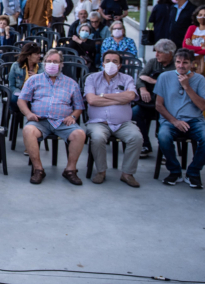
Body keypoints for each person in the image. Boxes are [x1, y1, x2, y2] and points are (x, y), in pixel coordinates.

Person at [17, 49, 86, 185]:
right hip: (40, 121)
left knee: (79, 134)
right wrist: (29, 114)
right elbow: (21, 100)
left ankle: (70, 170)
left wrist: (73, 116)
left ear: (61, 64)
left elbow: (79, 106)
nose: (52, 64)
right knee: (28, 131)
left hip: (63, 122)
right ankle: (38, 169)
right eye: (49, 61)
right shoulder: (34, 80)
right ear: (44, 63)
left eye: (55, 61)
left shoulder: (71, 83)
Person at [154, 49, 205, 189]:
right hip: (171, 120)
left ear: (192, 64)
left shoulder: (199, 79)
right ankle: (175, 171)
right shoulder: (164, 77)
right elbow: (159, 105)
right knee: (163, 136)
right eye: (178, 62)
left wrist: (187, 86)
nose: (181, 65)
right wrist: (175, 121)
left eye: (185, 63)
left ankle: (193, 172)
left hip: (194, 121)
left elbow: (203, 106)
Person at [85, 50, 144, 187]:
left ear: (120, 65)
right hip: (98, 123)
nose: (111, 64)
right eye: (108, 61)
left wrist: (102, 96)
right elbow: (92, 100)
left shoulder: (127, 79)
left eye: (115, 61)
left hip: (123, 123)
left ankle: (127, 174)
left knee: (136, 137)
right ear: (102, 63)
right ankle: (101, 171)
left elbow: (130, 97)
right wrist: (119, 99)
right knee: (98, 137)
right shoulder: (92, 78)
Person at [132, 39, 177, 157]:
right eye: (156, 51)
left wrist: (153, 81)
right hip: (150, 102)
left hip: (167, 105)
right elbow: (140, 78)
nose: (156, 55)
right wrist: (142, 88)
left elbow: (173, 87)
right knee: (135, 112)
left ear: (170, 53)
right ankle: (145, 144)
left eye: (160, 52)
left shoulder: (176, 65)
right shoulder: (153, 62)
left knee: (164, 121)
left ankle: (165, 149)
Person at [182, 5, 205, 92]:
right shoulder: (192, 28)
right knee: (190, 91)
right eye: (200, 14)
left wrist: (192, 47)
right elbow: (185, 46)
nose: (202, 17)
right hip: (192, 63)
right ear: (196, 16)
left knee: (204, 94)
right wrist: (202, 48)